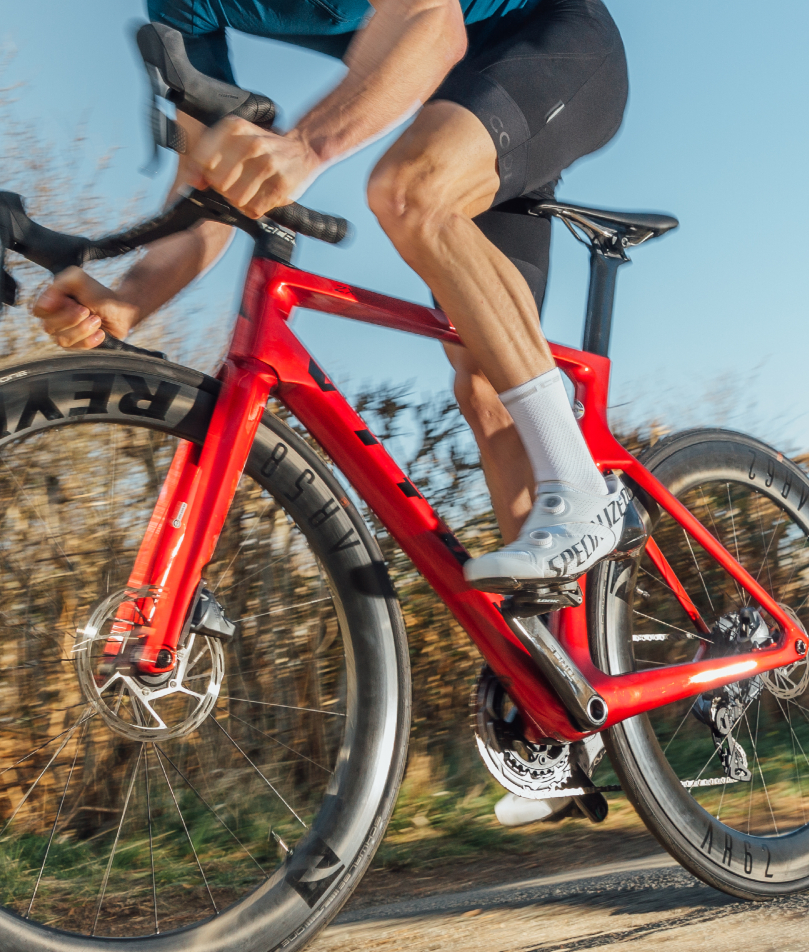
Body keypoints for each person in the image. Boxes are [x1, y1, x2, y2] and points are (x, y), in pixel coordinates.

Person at [31, 0, 631, 591]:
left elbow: (433, 22)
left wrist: (305, 147)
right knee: (483, 380)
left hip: (554, 41)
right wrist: (129, 298)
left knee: (409, 190)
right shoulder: (183, 6)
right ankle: (552, 659)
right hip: (466, 96)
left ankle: (580, 486)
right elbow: (209, 184)